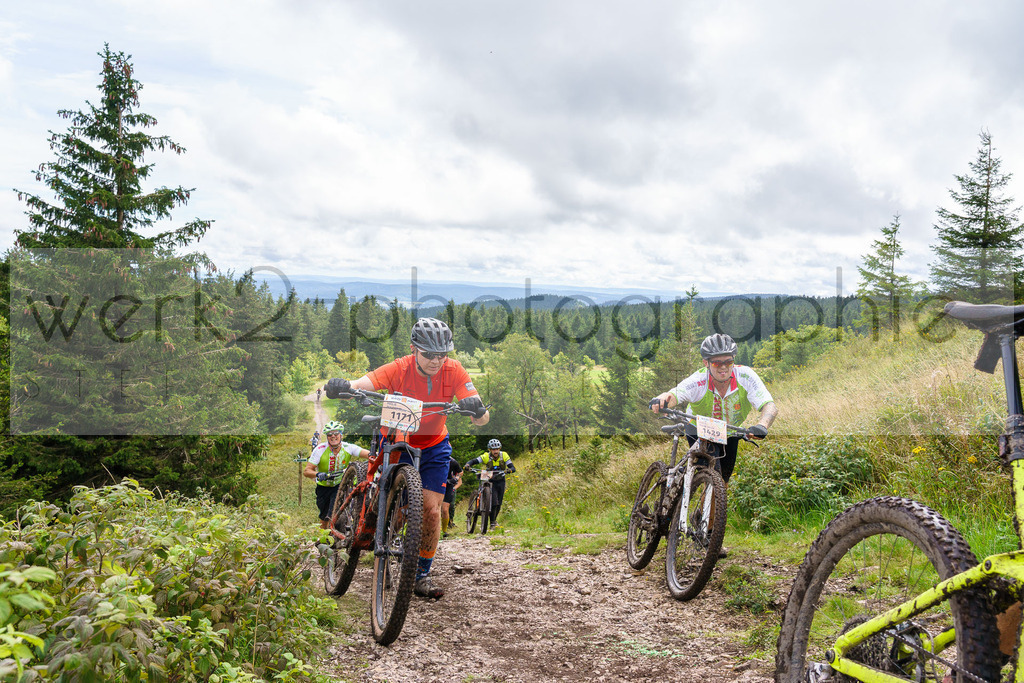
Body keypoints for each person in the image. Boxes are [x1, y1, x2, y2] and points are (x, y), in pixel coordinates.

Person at [324, 317, 489, 600]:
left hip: (434, 445)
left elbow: (482, 419)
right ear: (414, 349)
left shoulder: (455, 370)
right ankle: (372, 518)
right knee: (386, 502)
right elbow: (366, 383)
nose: (436, 361)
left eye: (442, 354)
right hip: (396, 439)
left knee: (431, 511)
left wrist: (476, 409)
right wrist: (344, 385)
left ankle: (420, 573)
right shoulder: (399, 368)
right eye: (429, 354)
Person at [648, 333, 778, 484]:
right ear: (706, 363)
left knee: (723, 483)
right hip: (699, 430)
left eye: (728, 362)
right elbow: (674, 395)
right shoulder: (699, 380)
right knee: (712, 475)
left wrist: (762, 426)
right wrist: (663, 400)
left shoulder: (746, 376)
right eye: (717, 363)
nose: (723, 367)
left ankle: (713, 507)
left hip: (730, 432)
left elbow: (769, 406)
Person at [303, 421, 369, 529]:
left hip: (340, 485)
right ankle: (323, 537)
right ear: (327, 437)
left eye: (336, 433)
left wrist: (378, 456)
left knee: (333, 514)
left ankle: (333, 536)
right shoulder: (320, 450)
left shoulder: (348, 447)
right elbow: (307, 471)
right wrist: (318, 474)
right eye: (330, 434)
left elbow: (367, 454)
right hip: (323, 487)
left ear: (341, 435)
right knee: (324, 516)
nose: (333, 436)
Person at [465, 438, 516, 528]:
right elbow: (474, 461)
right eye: (493, 449)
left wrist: (509, 470)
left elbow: (512, 467)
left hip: (500, 479)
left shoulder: (504, 455)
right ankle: (491, 521)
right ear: (490, 450)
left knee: (499, 503)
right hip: (489, 478)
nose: (495, 451)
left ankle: (493, 520)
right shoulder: (485, 456)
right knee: (494, 502)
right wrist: (468, 465)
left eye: (497, 449)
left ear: (499, 449)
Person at [440, 456, 463, 538]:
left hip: (449, 485)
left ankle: (444, 530)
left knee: (445, 509)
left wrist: (456, 479)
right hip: (437, 483)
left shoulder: (453, 462)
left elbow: (461, 472)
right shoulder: (435, 458)